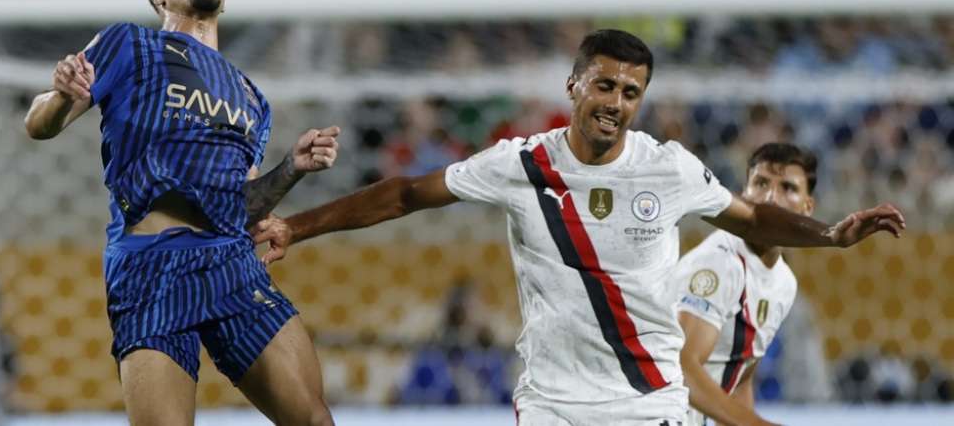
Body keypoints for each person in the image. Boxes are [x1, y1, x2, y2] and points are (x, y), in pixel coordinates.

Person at [253, 29, 905, 425]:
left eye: (630, 92)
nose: (616, 103)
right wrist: (296, 227)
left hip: (648, 401)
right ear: (573, 85)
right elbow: (404, 195)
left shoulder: (668, 167)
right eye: (605, 85)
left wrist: (830, 235)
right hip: (553, 404)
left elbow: (752, 214)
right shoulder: (521, 164)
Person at [24, 0, 337, 426]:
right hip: (151, 268)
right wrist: (61, 95)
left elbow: (244, 208)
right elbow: (38, 125)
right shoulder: (131, 44)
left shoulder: (252, 97)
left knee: (314, 420)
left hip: (230, 262)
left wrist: (292, 168)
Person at [674, 143, 817, 426]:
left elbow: (740, 380)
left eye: (787, 188)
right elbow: (681, 368)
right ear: (744, 194)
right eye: (761, 183)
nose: (771, 198)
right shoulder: (720, 263)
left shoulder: (784, 283)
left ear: (807, 207)